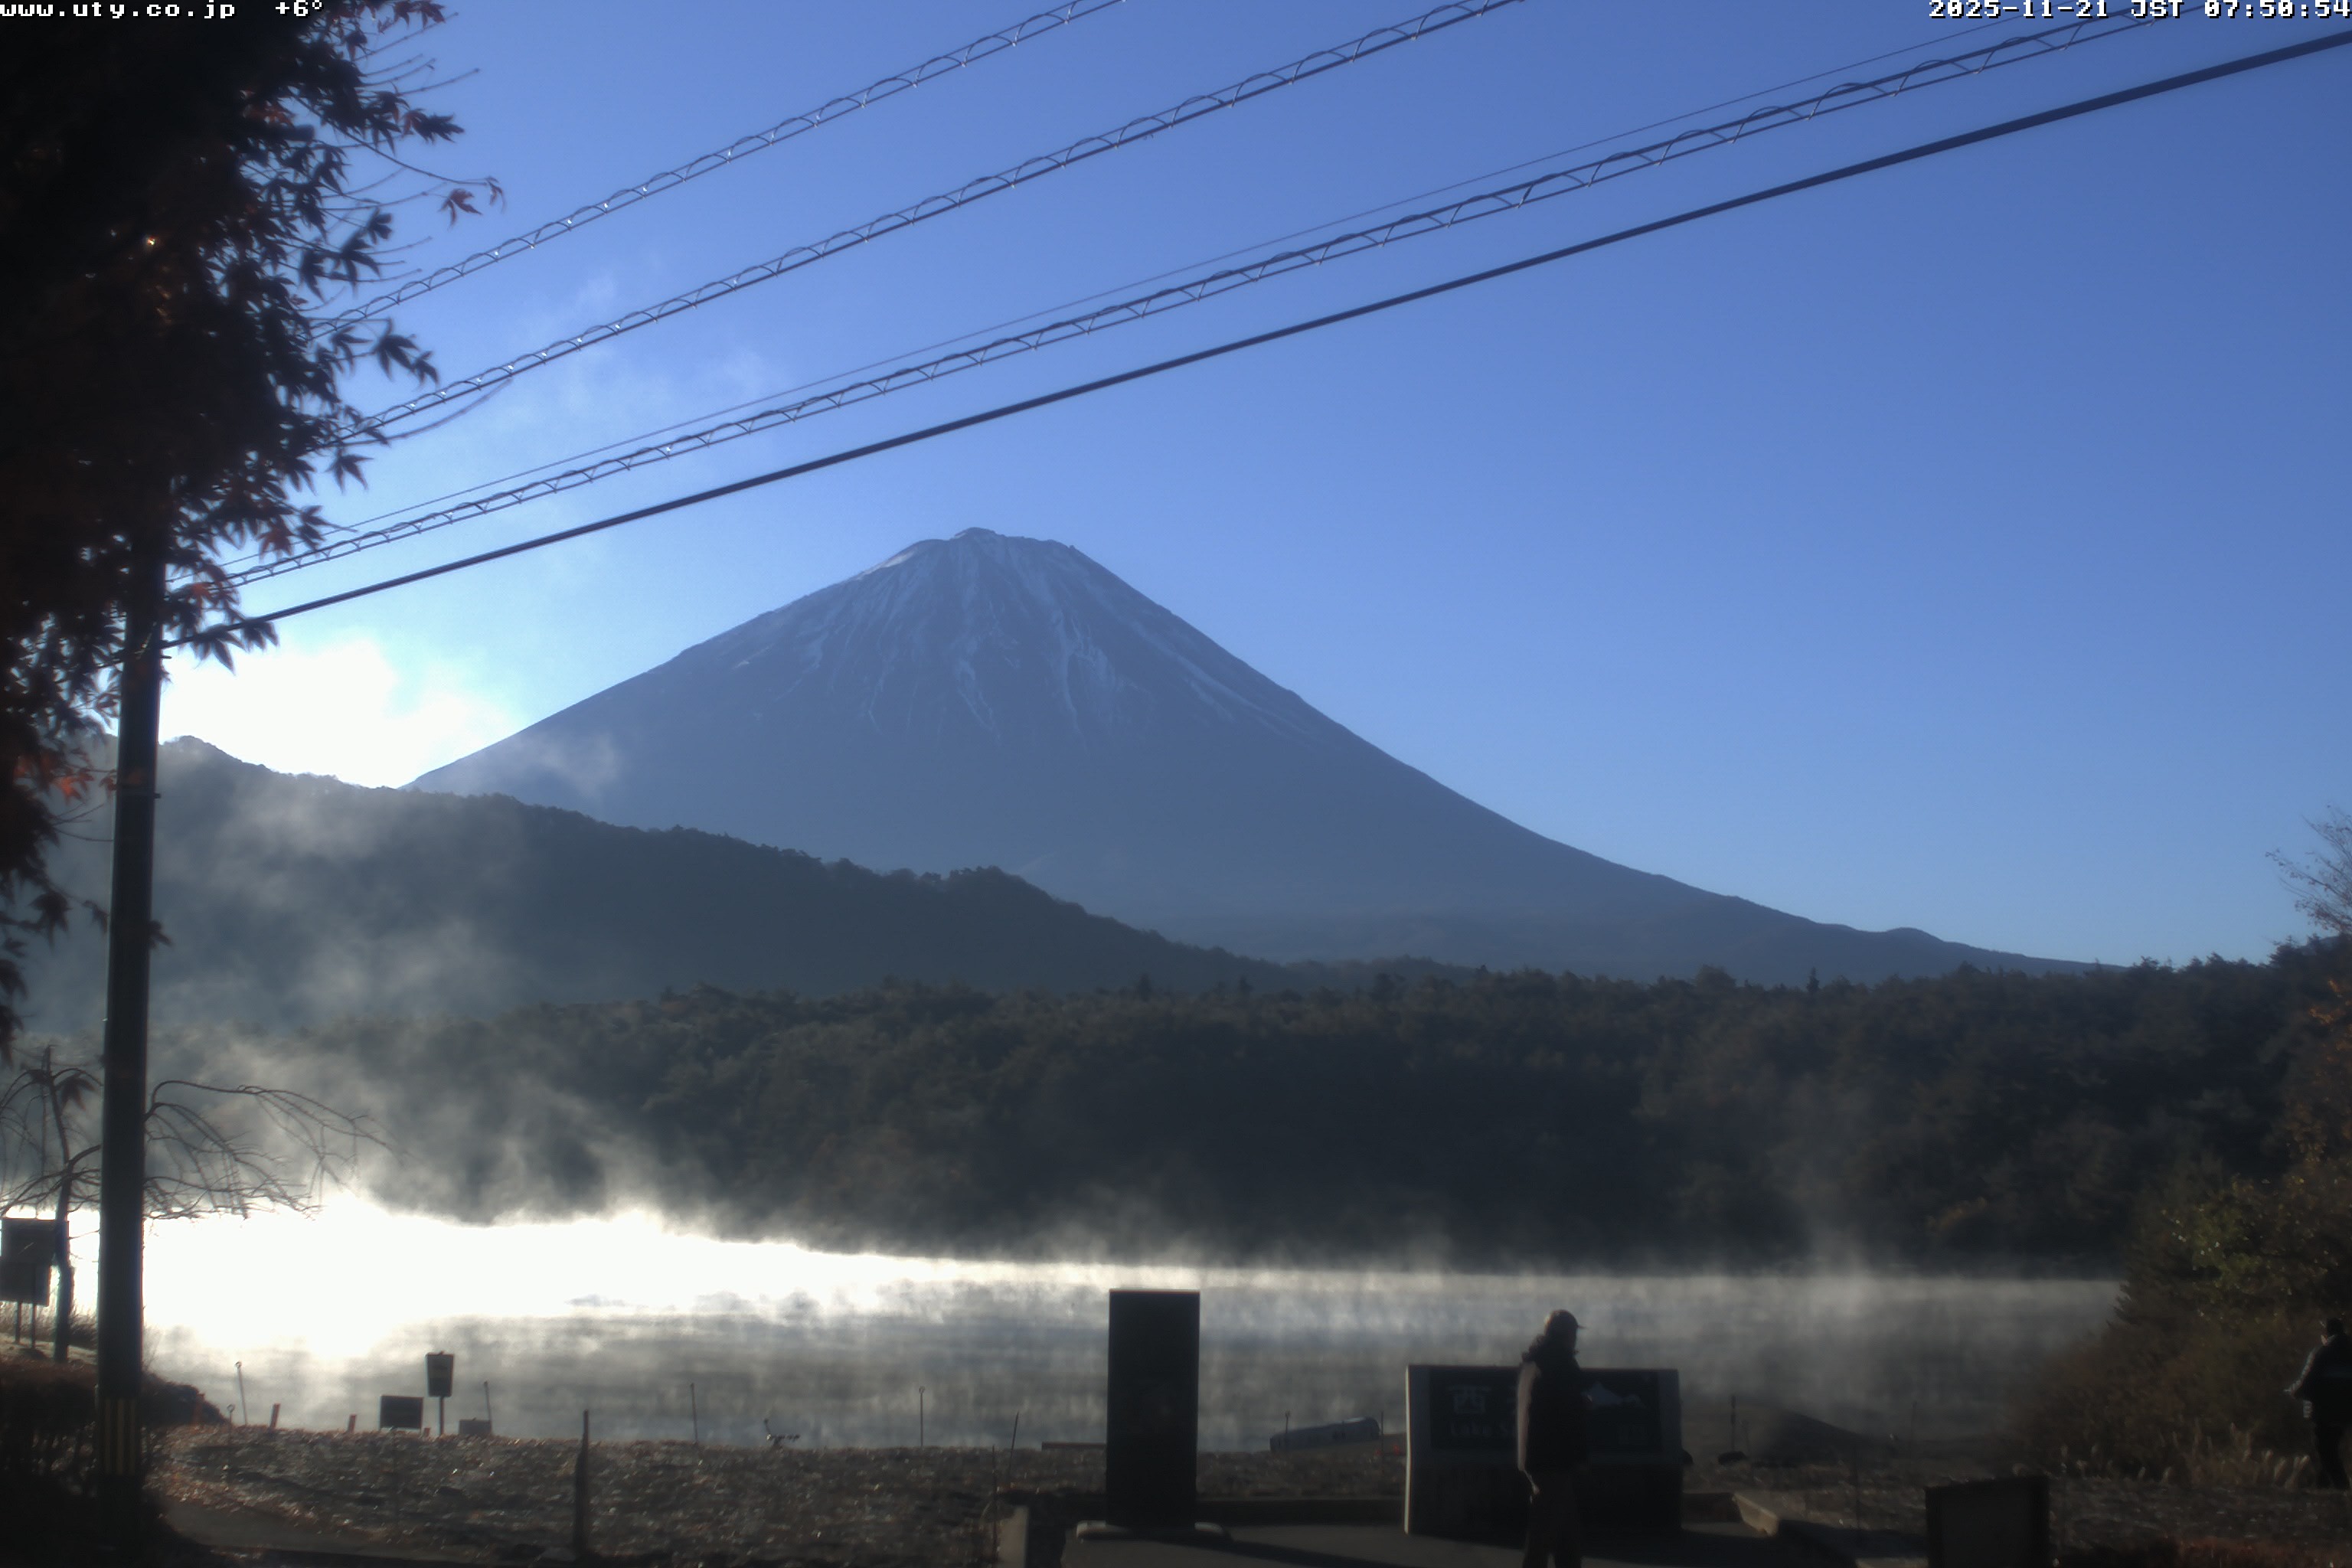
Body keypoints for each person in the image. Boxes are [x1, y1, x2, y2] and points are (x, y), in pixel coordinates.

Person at [1517, 1309, 1589, 1568]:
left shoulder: (1535, 1360)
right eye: (1574, 1333)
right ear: (1567, 1334)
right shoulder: (1561, 1364)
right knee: (1544, 1530)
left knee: (1566, 1531)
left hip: (1535, 1454)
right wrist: (1580, 1456)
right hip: (1554, 1459)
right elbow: (1569, 1415)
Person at [2287, 1317, 2352, 1489]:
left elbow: (2307, 1382)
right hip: (2346, 1413)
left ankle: (2343, 1487)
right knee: (2329, 1449)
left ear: (2326, 1334)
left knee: (2325, 1450)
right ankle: (2322, 1488)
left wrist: (2294, 1393)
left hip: (2325, 1411)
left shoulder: (2322, 1352)